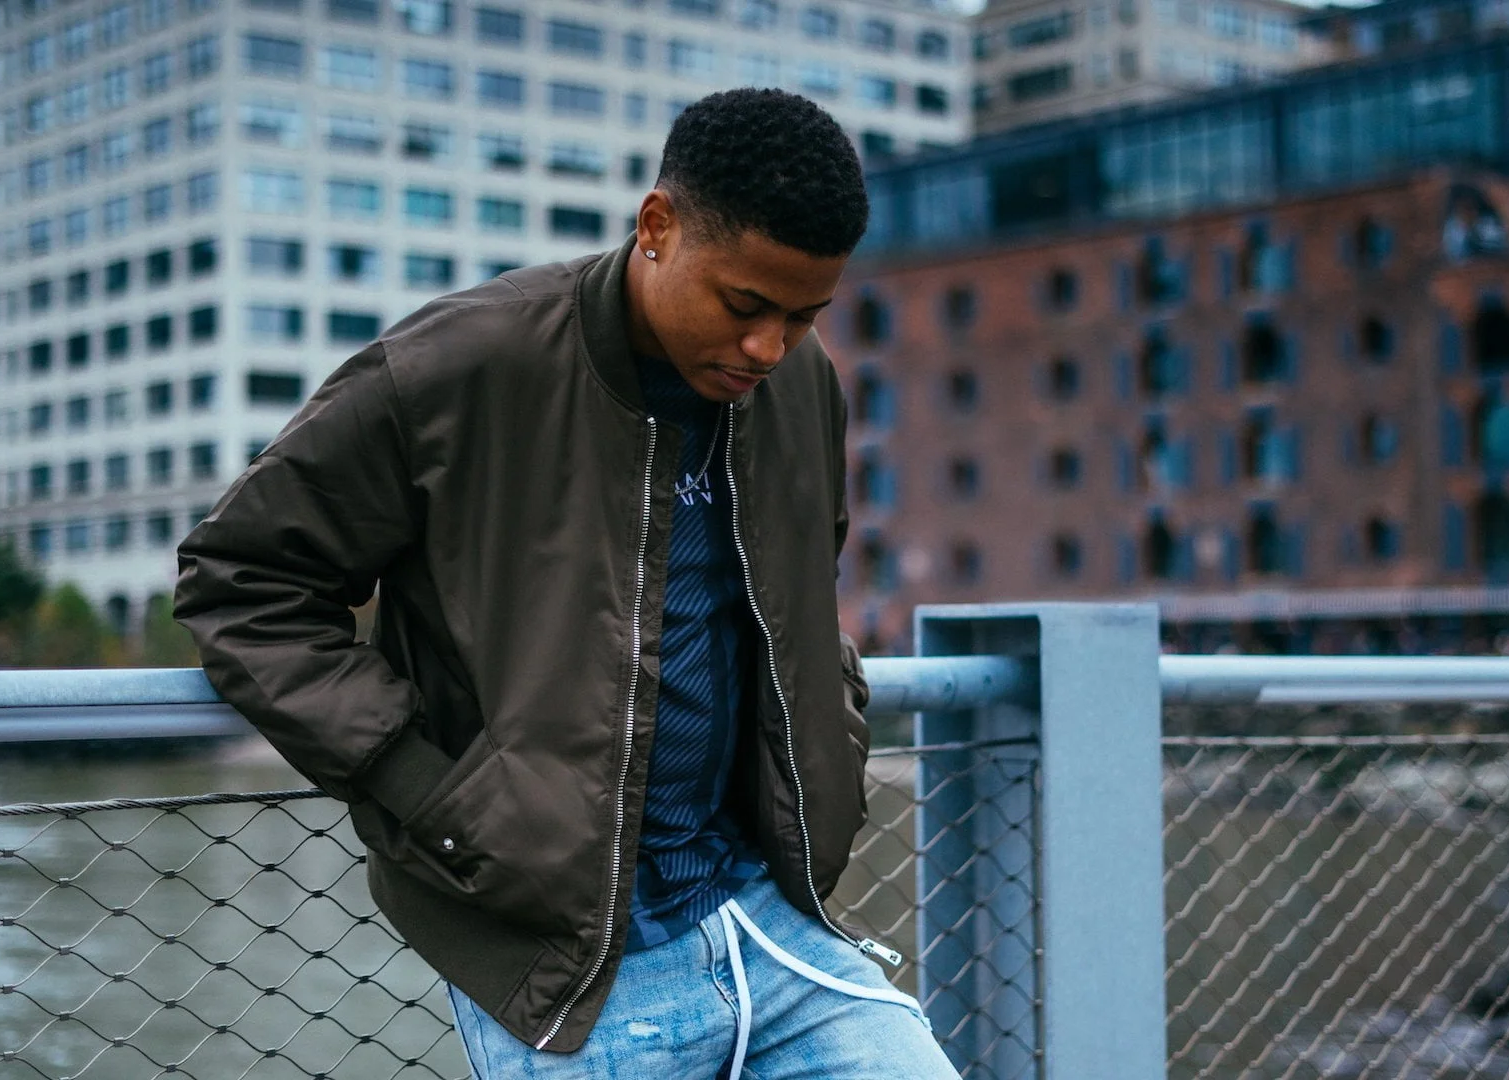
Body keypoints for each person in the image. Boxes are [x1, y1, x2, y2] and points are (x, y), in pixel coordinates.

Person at [173, 88, 957, 1080]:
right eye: (745, 306)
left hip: (766, 915)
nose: (770, 347)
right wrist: (436, 797)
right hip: (565, 962)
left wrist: (830, 737)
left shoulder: (803, 388)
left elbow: (804, 599)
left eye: (805, 316)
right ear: (658, 227)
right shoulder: (460, 368)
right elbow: (240, 579)